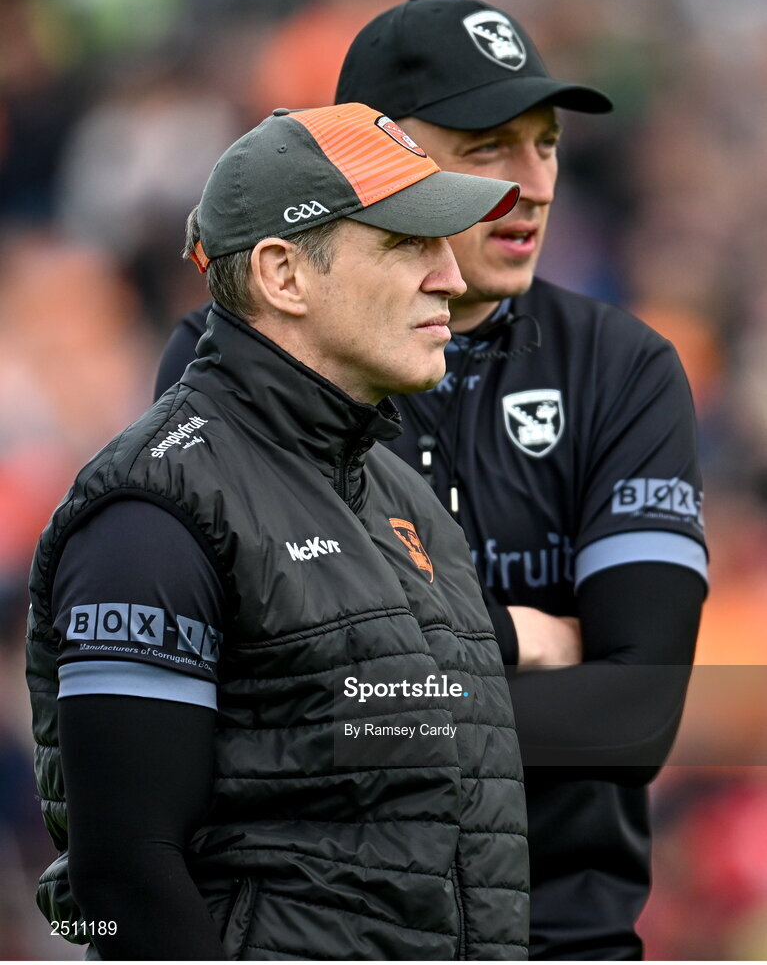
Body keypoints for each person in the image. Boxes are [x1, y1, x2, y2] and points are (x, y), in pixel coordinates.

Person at [156, 0, 709, 961]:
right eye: (486, 146)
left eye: (545, 144)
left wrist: (361, 705)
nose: (532, 185)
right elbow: (239, 704)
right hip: (313, 934)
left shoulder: (623, 368)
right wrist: (509, 638)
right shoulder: (229, 361)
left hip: (560, 936)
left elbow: (633, 720)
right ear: (367, 166)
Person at [26, 102, 530, 961]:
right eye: (409, 244)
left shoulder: (407, 501)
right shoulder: (154, 511)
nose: (451, 277)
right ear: (282, 275)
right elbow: (117, 883)